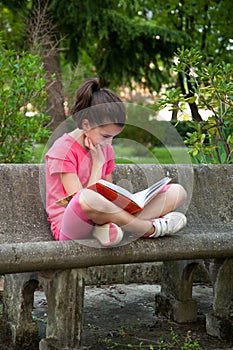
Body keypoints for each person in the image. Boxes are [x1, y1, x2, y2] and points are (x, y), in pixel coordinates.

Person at [45, 78, 187, 247]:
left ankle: (109, 228)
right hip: (70, 227)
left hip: (103, 215)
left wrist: (130, 202)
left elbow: (108, 194)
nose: (109, 143)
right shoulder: (63, 150)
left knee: (177, 192)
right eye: (106, 136)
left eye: (114, 137)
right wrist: (97, 164)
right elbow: (81, 204)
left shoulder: (104, 147)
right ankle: (146, 228)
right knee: (86, 197)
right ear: (86, 124)